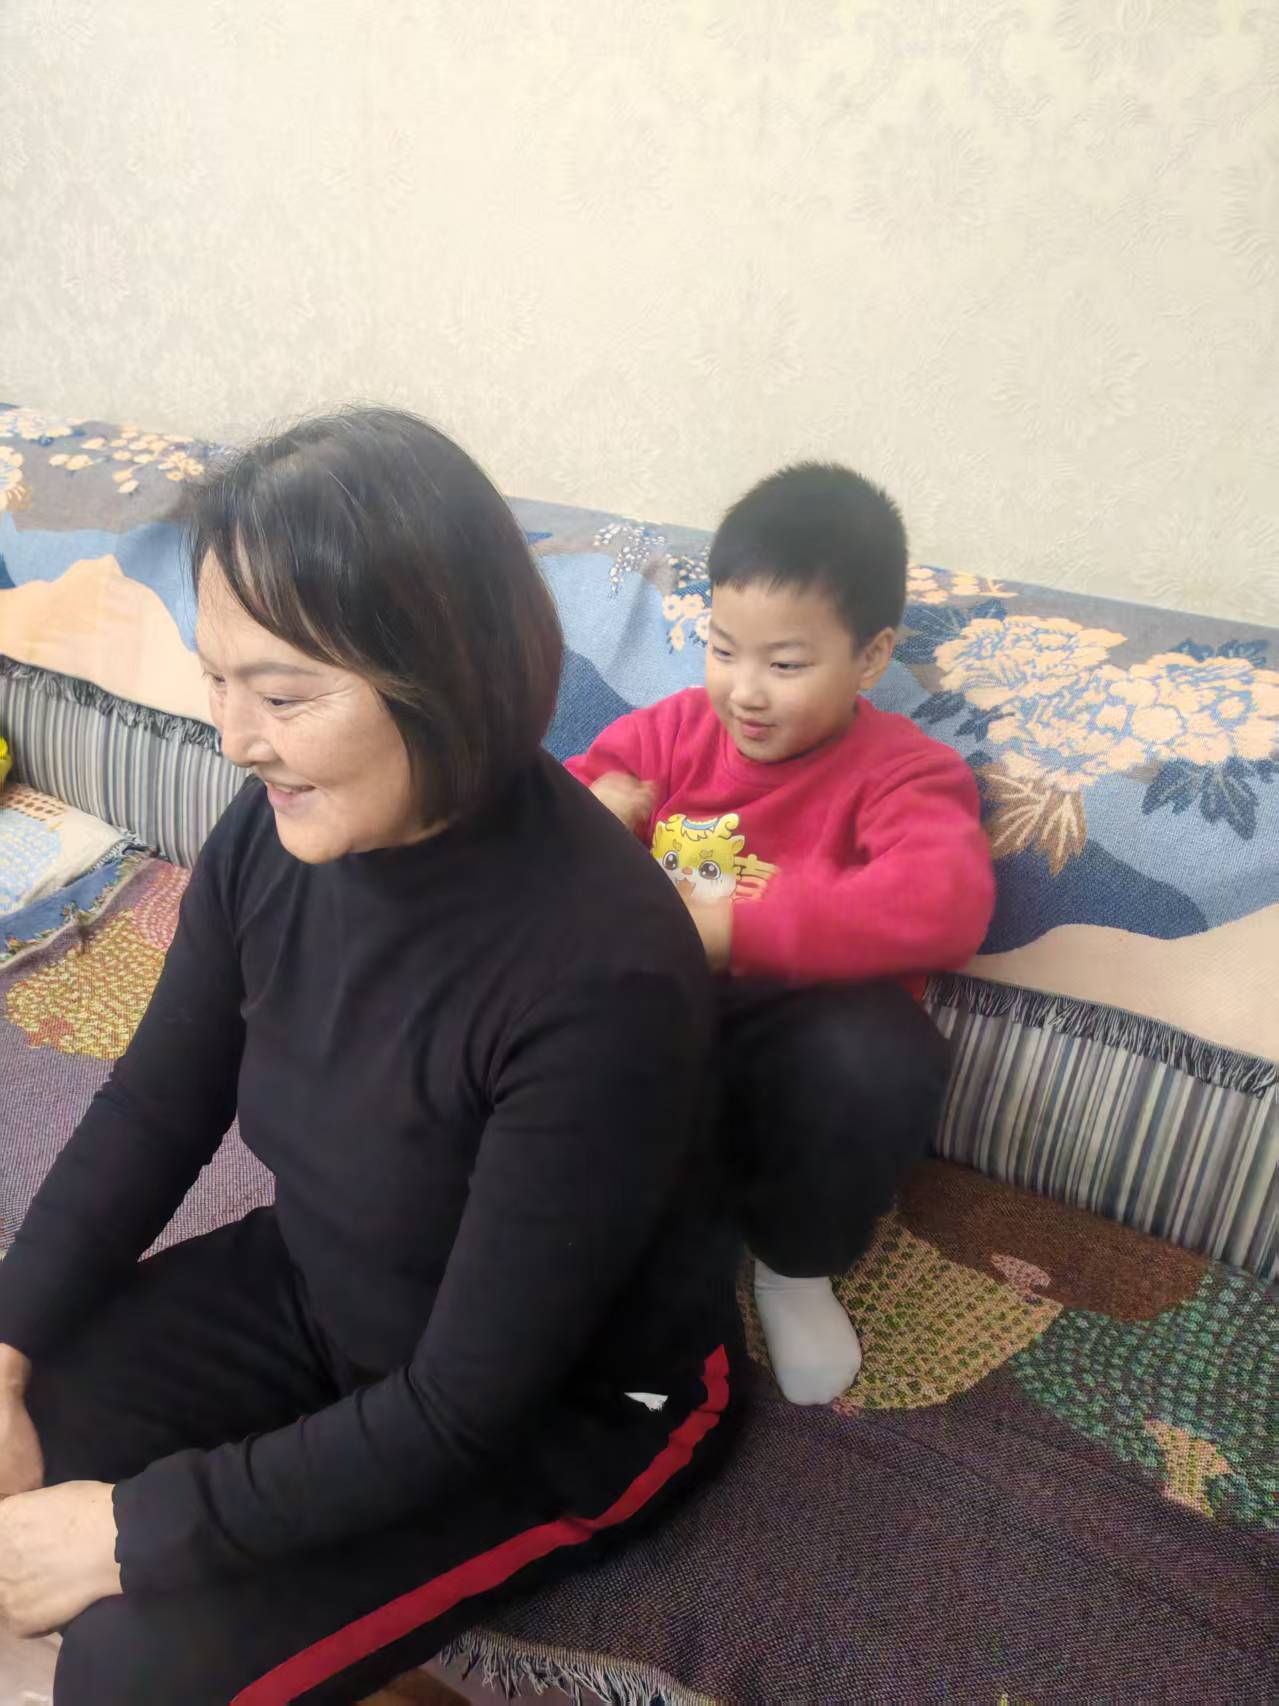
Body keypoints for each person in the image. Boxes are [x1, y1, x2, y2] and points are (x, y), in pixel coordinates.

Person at [0, 409, 741, 1703]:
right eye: (217, 677)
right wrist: (5, 1346)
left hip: (558, 1408)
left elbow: (462, 1405)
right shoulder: (275, 830)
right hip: (327, 1276)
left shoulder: (601, 976)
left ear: (443, 675)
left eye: (283, 695)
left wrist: (133, 1529)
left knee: (135, 1664)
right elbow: (153, 1108)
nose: (234, 734)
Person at [566, 464, 995, 1406]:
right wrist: (596, 811)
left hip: (796, 1046)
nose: (745, 693)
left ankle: (795, 1268)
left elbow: (944, 904)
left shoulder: (905, 771)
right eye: (723, 651)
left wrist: (729, 927)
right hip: (655, 1028)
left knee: (881, 1054)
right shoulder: (670, 733)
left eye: (785, 665)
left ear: (871, 656)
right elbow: (543, 828)